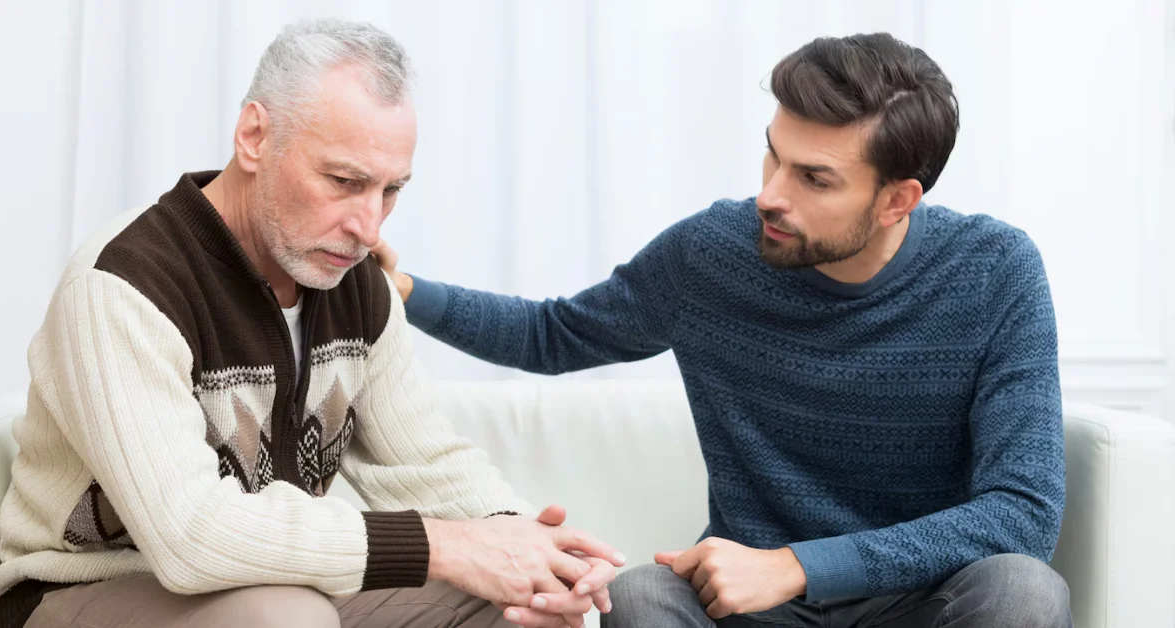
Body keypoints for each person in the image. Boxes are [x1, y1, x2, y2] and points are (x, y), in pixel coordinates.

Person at [376, 32, 1072, 627]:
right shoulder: (713, 255)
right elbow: (551, 334)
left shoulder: (994, 272)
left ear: (897, 201)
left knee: (1021, 588)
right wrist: (402, 291)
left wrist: (798, 566)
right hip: (754, 610)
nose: (771, 192)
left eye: (814, 179)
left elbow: (1022, 513)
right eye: (773, 155)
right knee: (639, 595)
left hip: (916, 603)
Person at [0, 19, 624, 628]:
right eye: (345, 181)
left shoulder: (353, 281)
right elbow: (189, 537)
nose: (370, 226)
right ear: (255, 137)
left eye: (391, 189)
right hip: (82, 593)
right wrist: (446, 546)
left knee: (513, 606)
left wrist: (530, 550)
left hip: (279, 591)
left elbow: (427, 462)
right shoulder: (125, 283)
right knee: (287, 617)